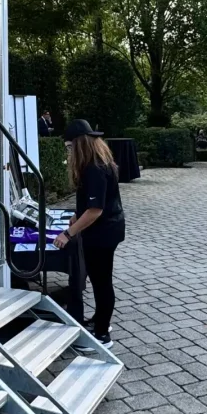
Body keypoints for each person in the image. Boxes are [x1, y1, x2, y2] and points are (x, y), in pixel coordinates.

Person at [55, 119, 125, 347]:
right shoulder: (99, 163)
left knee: (101, 281)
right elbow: (92, 205)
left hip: (103, 233)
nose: (68, 152)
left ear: (79, 144)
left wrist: (68, 233)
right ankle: (100, 320)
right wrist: (78, 216)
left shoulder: (94, 168)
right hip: (107, 228)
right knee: (99, 279)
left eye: (68, 147)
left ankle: (103, 334)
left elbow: (95, 210)